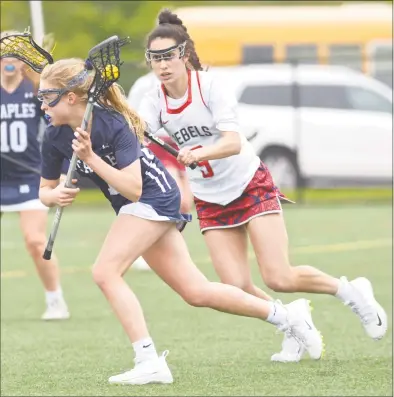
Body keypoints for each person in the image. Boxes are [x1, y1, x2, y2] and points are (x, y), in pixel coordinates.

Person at [38, 57, 324, 385]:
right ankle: (289, 317)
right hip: (133, 206)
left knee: (104, 272)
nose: (42, 104)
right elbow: (44, 191)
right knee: (196, 291)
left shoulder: (114, 124)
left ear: (71, 98)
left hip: (153, 197)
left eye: (47, 97)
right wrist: (55, 194)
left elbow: (133, 188)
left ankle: (148, 360)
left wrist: (90, 159)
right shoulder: (54, 136)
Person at [138, 9, 388, 363]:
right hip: (210, 198)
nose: (162, 65)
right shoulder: (154, 100)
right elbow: (137, 131)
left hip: (247, 182)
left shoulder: (210, 87)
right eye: (155, 58)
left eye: (168, 56)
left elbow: (233, 142)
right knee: (237, 286)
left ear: (184, 54)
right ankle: (293, 323)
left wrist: (199, 153)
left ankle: (351, 291)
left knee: (279, 276)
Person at [0, 31, 69, 320]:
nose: (9, 59)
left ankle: (55, 300)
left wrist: (63, 172)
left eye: (15, 53)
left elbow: (59, 127)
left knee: (35, 241)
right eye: (4, 53)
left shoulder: (35, 90)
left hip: (29, 177)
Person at [128, 72, 193, 271]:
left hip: (183, 144)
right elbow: (131, 116)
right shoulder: (143, 84)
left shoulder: (189, 81)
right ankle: (144, 250)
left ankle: (169, 251)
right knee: (178, 199)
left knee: (186, 204)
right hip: (158, 145)